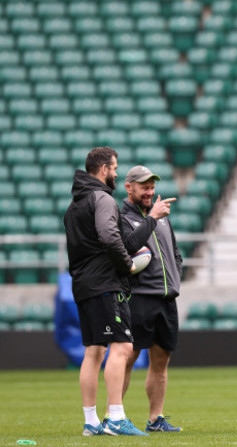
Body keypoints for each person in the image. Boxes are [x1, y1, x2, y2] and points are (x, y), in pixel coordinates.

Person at [63, 147, 148, 436]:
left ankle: (91, 421)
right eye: (114, 168)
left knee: (94, 352)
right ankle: (115, 417)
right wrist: (126, 265)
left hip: (83, 285)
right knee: (122, 347)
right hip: (105, 285)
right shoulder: (102, 199)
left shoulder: (73, 205)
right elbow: (109, 236)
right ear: (103, 170)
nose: (115, 173)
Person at [120, 165, 183, 433]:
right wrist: (152, 218)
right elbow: (126, 246)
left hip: (166, 299)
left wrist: (175, 275)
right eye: (144, 186)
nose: (150, 191)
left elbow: (175, 253)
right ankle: (116, 416)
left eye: (152, 186)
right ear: (129, 187)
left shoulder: (162, 216)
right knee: (125, 360)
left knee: (161, 362)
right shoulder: (121, 216)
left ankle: (155, 419)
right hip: (140, 299)